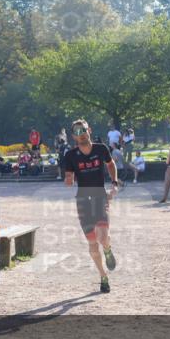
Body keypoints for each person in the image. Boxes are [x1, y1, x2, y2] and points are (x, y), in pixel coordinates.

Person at [63, 119, 119, 294]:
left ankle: (108, 249)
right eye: (77, 132)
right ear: (73, 136)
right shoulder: (70, 156)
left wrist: (114, 184)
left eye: (83, 131)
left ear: (89, 130)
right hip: (82, 200)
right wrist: (68, 180)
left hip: (99, 197)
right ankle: (103, 277)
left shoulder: (101, 149)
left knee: (103, 238)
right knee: (92, 241)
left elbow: (111, 165)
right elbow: (69, 178)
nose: (81, 135)